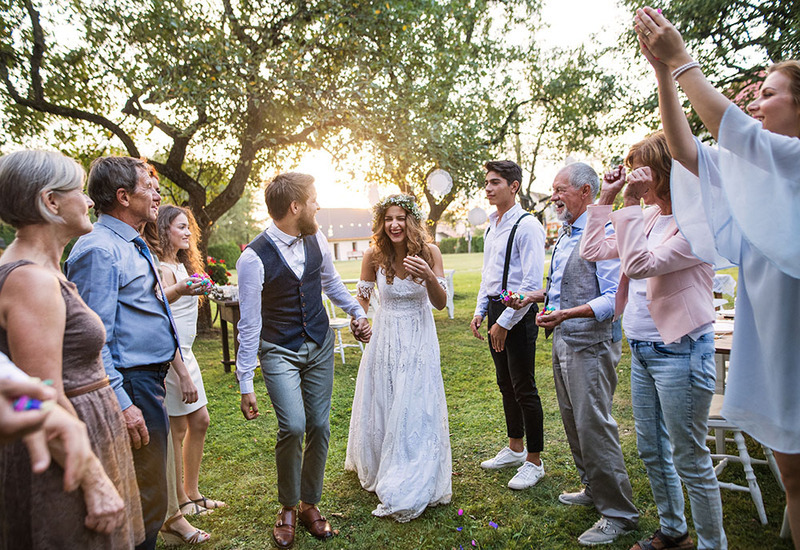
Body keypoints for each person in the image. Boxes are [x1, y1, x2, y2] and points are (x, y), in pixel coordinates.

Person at [635, 8, 800, 547]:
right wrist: (663, 74)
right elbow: (685, 152)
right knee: (795, 478)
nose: (755, 102)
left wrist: (684, 60)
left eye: (769, 93)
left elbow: (738, 130)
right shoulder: (755, 173)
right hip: (778, 346)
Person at [580, 134, 725, 550]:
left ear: (663, 171)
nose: (633, 178)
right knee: (652, 450)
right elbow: (593, 249)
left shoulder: (695, 223)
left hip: (680, 350)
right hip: (642, 349)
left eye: (640, 169)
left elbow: (639, 265)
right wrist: (607, 197)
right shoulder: (646, 218)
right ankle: (674, 532)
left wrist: (627, 204)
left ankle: (714, 545)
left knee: (690, 459)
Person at [0, 150, 143, 548]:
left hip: (86, 439)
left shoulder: (46, 272)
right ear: (51, 202)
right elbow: (36, 398)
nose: (91, 202)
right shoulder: (30, 281)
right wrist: (94, 482)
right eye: (80, 192)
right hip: (65, 462)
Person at [236, 172, 371, 549]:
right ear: (295, 207)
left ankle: (310, 504)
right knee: (293, 426)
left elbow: (330, 283)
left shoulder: (317, 238)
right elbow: (249, 324)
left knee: (320, 425)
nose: (318, 205)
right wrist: (245, 381)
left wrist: (356, 313)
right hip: (278, 348)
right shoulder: (252, 258)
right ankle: (287, 508)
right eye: (313, 199)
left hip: (319, 343)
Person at [510, 162, 636, 546]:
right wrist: (541, 297)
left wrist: (565, 313)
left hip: (593, 345)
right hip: (564, 339)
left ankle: (619, 513)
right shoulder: (565, 234)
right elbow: (569, 287)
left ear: (586, 192)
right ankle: (593, 489)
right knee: (573, 422)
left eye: (561, 189)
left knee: (594, 426)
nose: (555, 196)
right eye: (554, 189)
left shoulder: (608, 232)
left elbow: (613, 299)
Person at [65, 155, 179, 550]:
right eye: (148, 185)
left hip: (149, 380)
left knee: (150, 493)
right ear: (122, 196)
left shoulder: (131, 241)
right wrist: (122, 401)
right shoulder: (98, 250)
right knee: (145, 498)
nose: (157, 192)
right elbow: (91, 342)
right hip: (130, 385)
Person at [345, 194, 452, 522]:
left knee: (414, 399)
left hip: (419, 336)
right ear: (381, 223)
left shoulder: (430, 252)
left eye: (401, 218)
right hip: (387, 336)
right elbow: (361, 302)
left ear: (412, 221)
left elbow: (440, 303)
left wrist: (429, 276)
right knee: (386, 397)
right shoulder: (373, 255)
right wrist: (357, 321)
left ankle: (412, 463)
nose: (394, 224)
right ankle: (382, 461)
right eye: (388, 218)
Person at [470, 160, 546, 490]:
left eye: (494, 182)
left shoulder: (527, 225)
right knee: (505, 383)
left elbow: (530, 282)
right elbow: (490, 274)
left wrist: (503, 322)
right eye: (486, 182)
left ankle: (534, 460)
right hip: (495, 307)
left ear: (513, 186)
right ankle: (515, 448)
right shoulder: (491, 225)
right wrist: (480, 310)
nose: (487, 188)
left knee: (524, 386)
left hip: (518, 311)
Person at [144, 204, 225, 516]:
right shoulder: (160, 269)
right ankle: (180, 500)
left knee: (200, 421)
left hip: (188, 353)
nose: (188, 233)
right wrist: (183, 374)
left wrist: (200, 286)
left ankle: (192, 491)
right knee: (177, 430)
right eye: (180, 227)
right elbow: (164, 323)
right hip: (172, 358)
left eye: (188, 227)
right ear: (164, 229)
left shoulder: (179, 266)